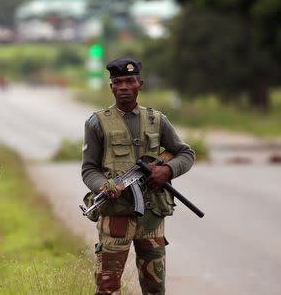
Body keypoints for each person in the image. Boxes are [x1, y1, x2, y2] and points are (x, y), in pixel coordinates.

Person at [81, 57, 195, 295]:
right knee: (107, 288)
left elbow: (185, 153)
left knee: (155, 287)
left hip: (151, 217)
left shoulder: (157, 120)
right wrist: (104, 186)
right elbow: (89, 169)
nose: (124, 87)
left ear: (139, 84)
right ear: (111, 86)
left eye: (130, 81)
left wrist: (167, 170)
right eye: (118, 82)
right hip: (115, 215)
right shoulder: (97, 123)